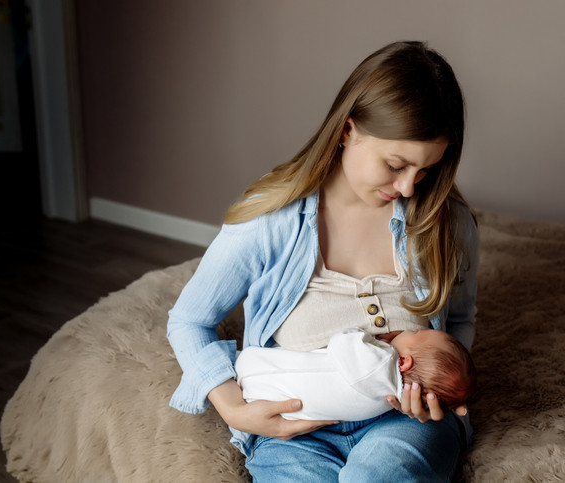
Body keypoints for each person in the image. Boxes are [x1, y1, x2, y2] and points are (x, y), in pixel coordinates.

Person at [167, 40, 479, 482]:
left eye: (425, 170)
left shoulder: (447, 225)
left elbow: (461, 318)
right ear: (347, 130)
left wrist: (439, 388)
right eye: (395, 165)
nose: (409, 188)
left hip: (406, 422)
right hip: (296, 430)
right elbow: (189, 321)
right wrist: (234, 407)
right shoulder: (270, 221)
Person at [236, 327, 477, 421]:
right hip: (271, 399)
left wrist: (372, 336)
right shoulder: (385, 402)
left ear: (403, 362)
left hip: (256, 368)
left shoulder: (380, 361)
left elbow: (341, 342)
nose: (408, 328)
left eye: (415, 331)